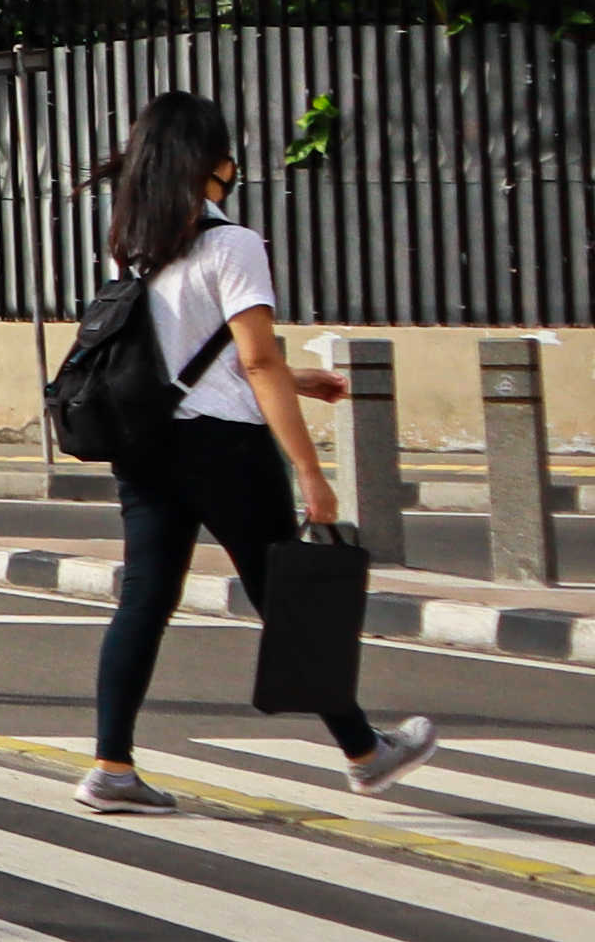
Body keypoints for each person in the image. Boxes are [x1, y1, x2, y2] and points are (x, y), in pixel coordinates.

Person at [77, 91, 442, 816]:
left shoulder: (134, 245)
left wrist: (294, 379)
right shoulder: (233, 245)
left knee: (144, 603)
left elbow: (193, 355)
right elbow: (257, 362)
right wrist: (310, 470)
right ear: (211, 164)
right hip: (226, 450)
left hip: (149, 447)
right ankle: (366, 755)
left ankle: (112, 767)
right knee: (290, 599)